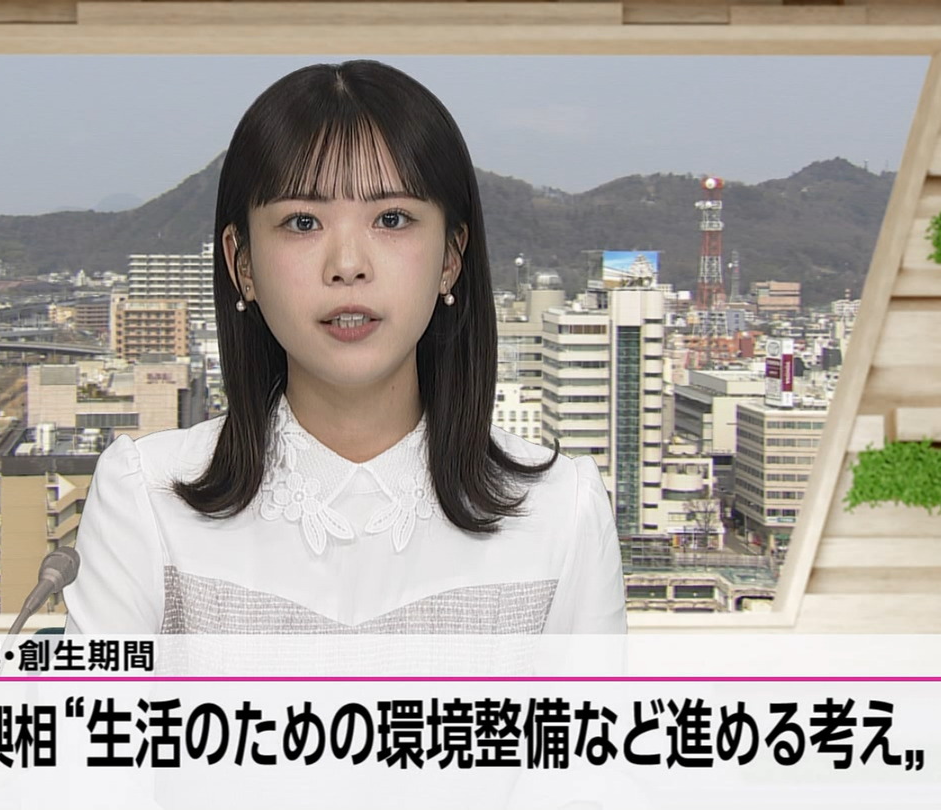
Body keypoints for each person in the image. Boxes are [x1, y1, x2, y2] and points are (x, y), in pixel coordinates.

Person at [64, 60, 626, 634]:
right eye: (303, 222)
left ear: (451, 259)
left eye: (392, 218)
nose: (348, 265)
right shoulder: (145, 497)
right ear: (242, 264)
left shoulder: (563, 513)